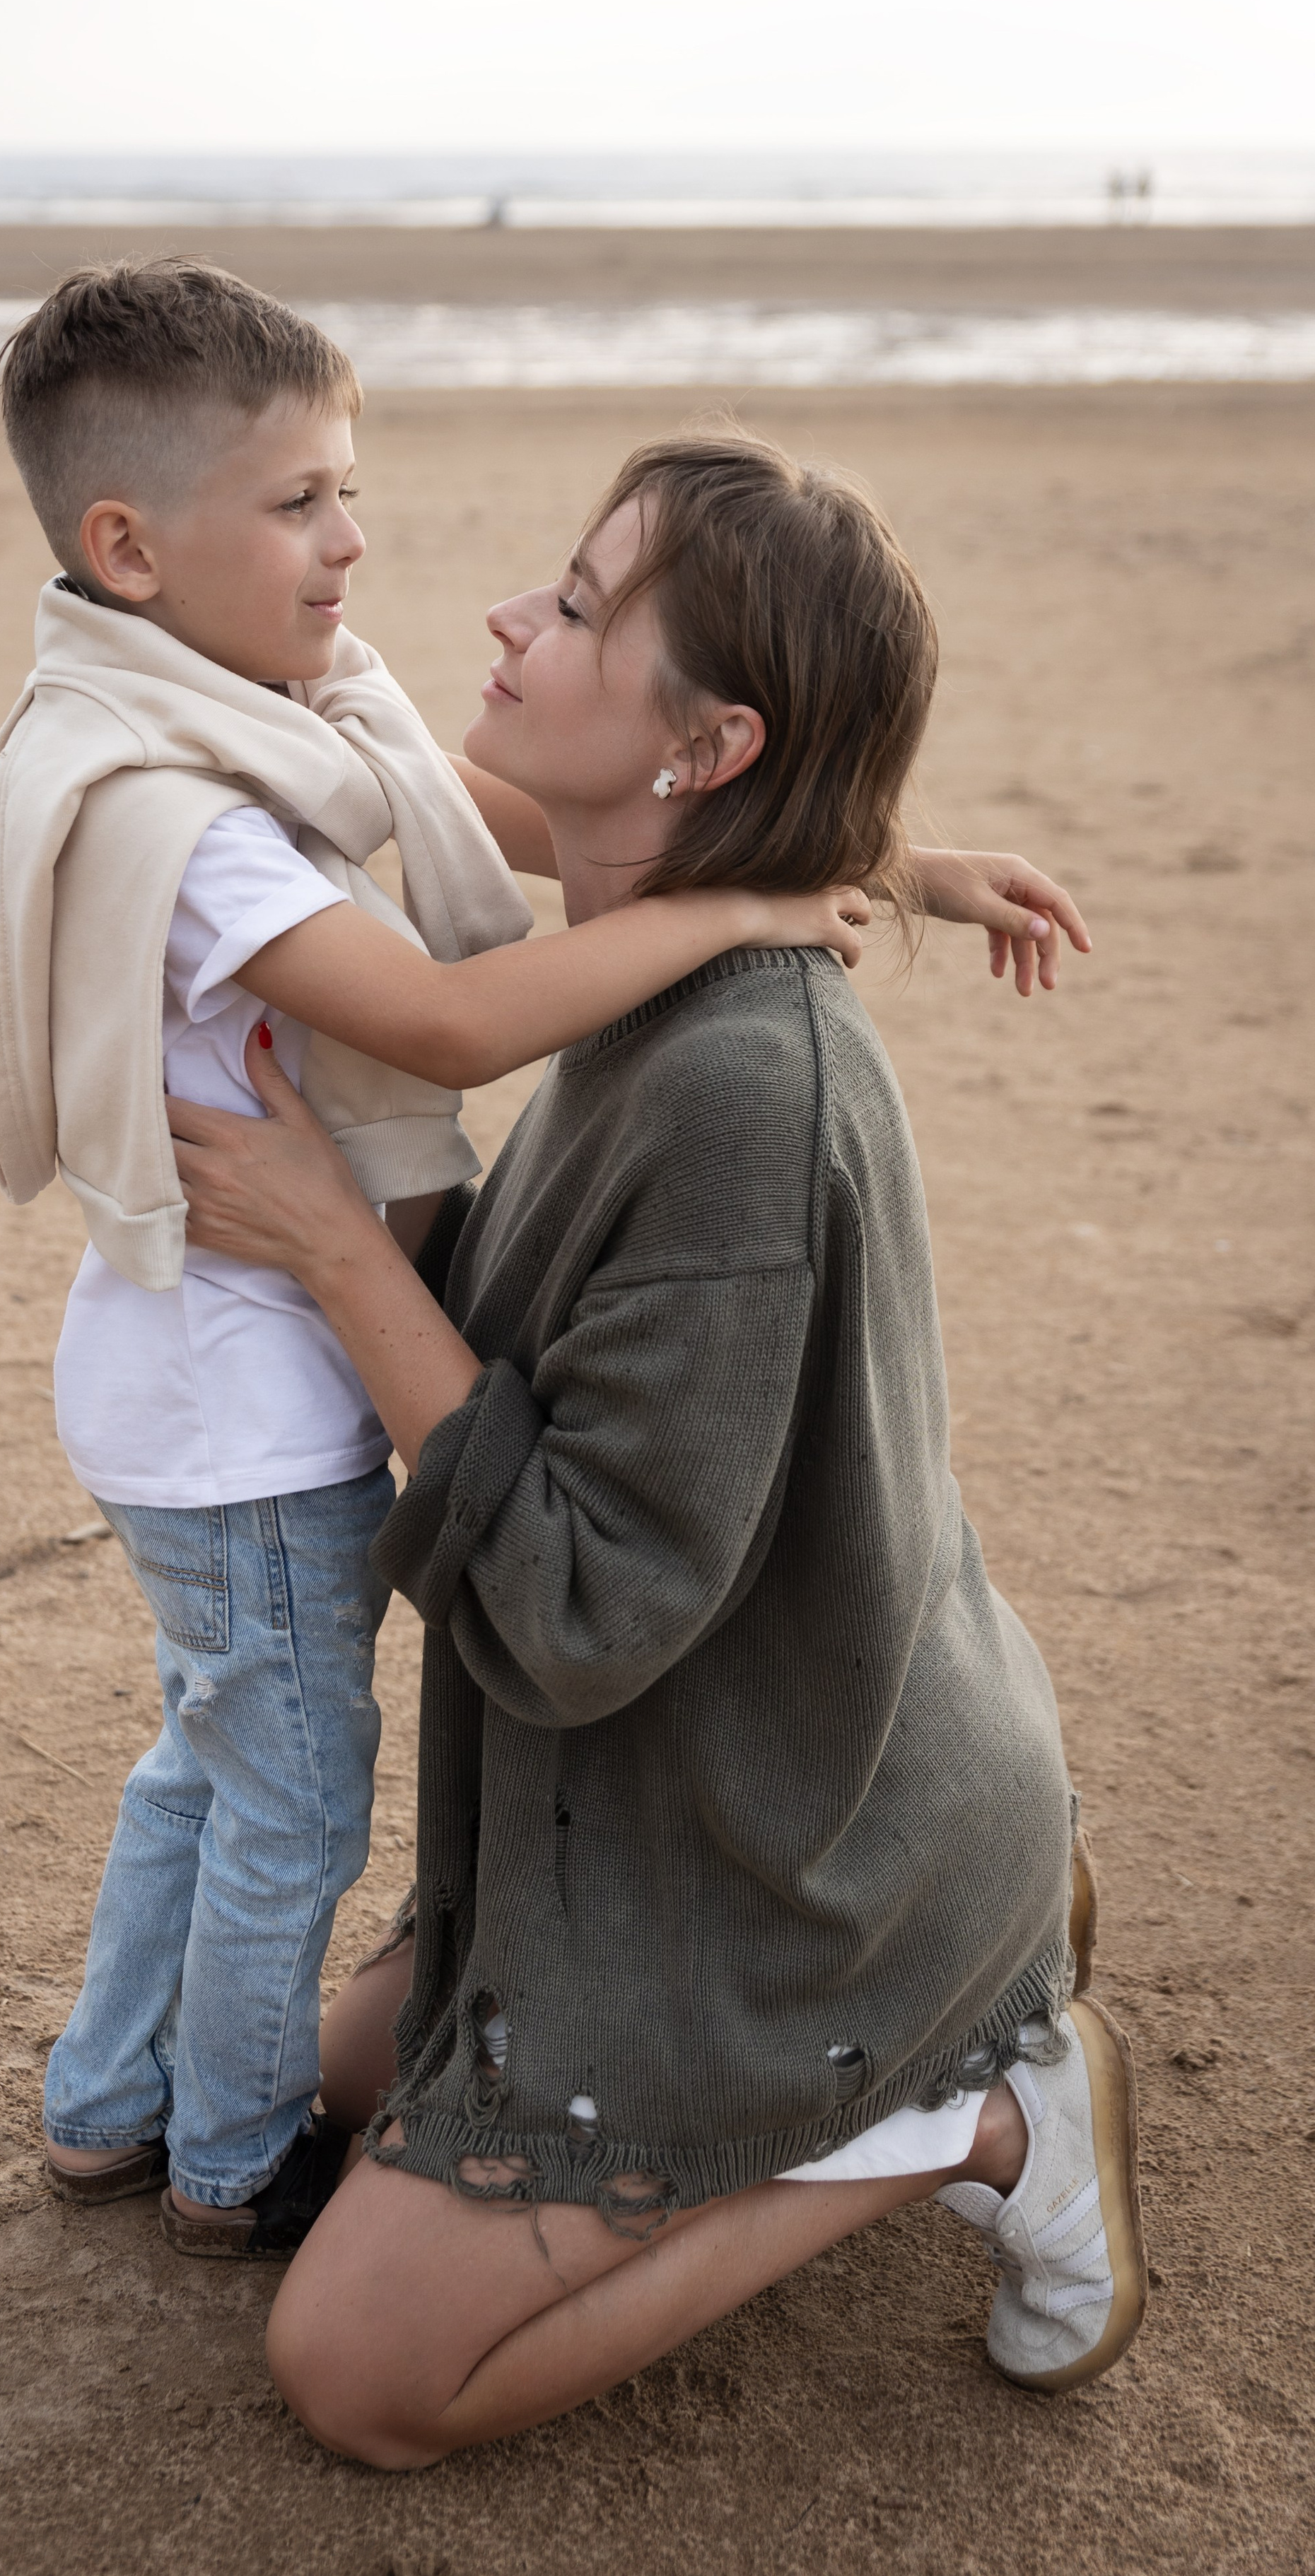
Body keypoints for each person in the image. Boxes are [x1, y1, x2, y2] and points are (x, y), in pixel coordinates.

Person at [0, 260, 896, 2259]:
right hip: (243, 1407)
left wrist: (880, 851)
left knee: (206, 1765)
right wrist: (736, 912)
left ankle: (102, 2105)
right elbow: (449, 1025)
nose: (357, 539)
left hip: (194, 1382)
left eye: (352, 486)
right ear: (130, 544)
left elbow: (497, 793)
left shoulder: (263, 708)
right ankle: (236, 2165)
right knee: (299, 1805)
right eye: (305, 500)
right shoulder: (174, 812)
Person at [165, 425, 1138, 2464]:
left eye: (583, 608)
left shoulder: (737, 1094)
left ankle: (979, 2116)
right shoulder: (628, 969)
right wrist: (901, 854)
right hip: (728, 1792)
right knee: (330, 2077)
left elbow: (590, 1607)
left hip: (791, 1846)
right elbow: (468, 804)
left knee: (360, 2373)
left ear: (703, 750)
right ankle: (990, 1946)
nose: (511, 619)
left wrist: (338, 1247)